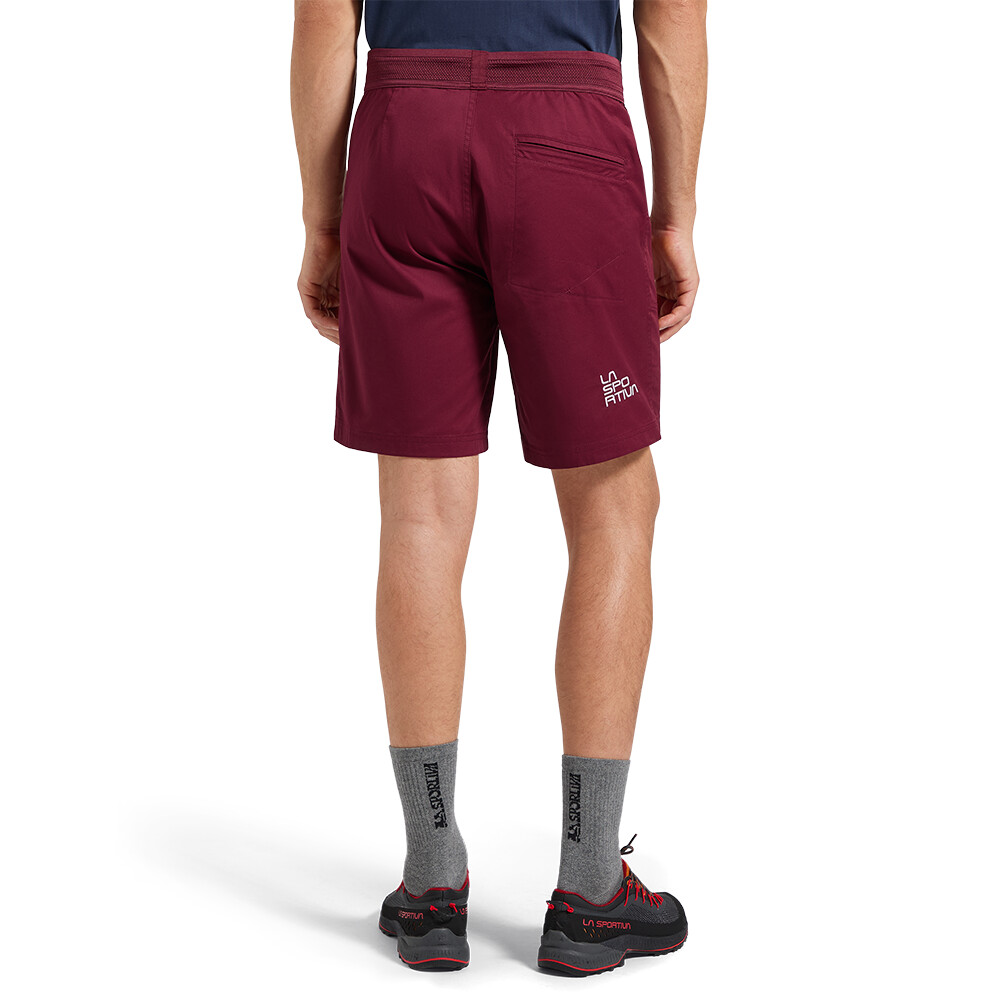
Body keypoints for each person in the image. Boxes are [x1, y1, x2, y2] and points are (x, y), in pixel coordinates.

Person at [290, 0, 708, 976]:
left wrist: (321, 216)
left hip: (402, 139)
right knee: (613, 505)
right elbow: (673, 16)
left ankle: (432, 880)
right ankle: (591, 888)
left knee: (421, 514)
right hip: (566, 141)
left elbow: (323, 18)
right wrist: (677, 215)